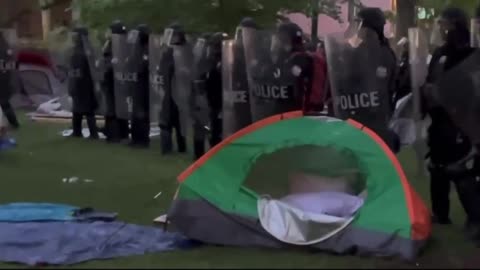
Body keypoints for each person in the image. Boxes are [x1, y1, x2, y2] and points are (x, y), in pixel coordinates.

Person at [422, 7, 480, 244]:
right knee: (437, 165)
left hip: (461, 119)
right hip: (439, 118)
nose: (442, 29)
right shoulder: (439, 52)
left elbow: (469, 87)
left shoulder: (469, 53)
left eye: (445, 24)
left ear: (456, 25)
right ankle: (441, 213)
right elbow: (430, 79)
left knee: (461, 169)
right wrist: (425, 93)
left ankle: (476, 218)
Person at [159, 23, 187, 155]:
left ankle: (182, 147)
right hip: (168, 91)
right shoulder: (167, 52)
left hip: (181, 92)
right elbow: (161, 71)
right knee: (166, 121)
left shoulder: (185, 51)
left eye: (174, 35)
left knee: (180, 121)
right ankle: (166, 148)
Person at [68, 26, 99, 139]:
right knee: (78, 110)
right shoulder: (84, 49)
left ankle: (92, 133)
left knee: (87, 110)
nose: (73, 37)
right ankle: (78, 132)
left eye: (75, 35)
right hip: (83, 82)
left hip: (84, 83)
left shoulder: (84, 50)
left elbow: (81, 68)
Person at [101, 20, 125, 143]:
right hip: (111, 79)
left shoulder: (116, 44)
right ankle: (113, 131)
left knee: (113, 108)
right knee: (112, 107)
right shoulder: (112, 43)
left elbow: (113, 62)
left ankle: (115, 135)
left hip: (113, 80)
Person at [129, 24, 151, 148]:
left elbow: (143, 67)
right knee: (135, 112)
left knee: (142, 113)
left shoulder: (147, 49)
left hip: (144, 85)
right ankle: (135, 138)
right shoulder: (136, 49)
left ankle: (143, 140)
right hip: (136, 84)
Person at [0, 30, 19, 129]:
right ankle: (13, 122)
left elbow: (13, 65)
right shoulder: (5, 47)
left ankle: (14, 123)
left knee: (4, 102)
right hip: (5, 78)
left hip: (3, 80)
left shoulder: (4, 48)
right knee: (4, 103)